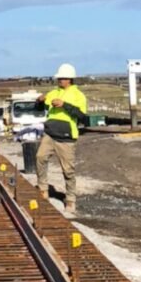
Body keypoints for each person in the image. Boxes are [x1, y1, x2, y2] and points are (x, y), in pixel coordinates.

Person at [35, 63, 87, 214]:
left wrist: (64, 105)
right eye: (58, 78)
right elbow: (40, 109)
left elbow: (81, 116)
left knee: (68, 170)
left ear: (69, 79)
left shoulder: (78, 95)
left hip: (66, 136)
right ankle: (43, 189)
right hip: (50, 133)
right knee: (40, 157)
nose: (59, 80)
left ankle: (70, 199)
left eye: (62, 78)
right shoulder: (53, 92)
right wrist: (39, 101)